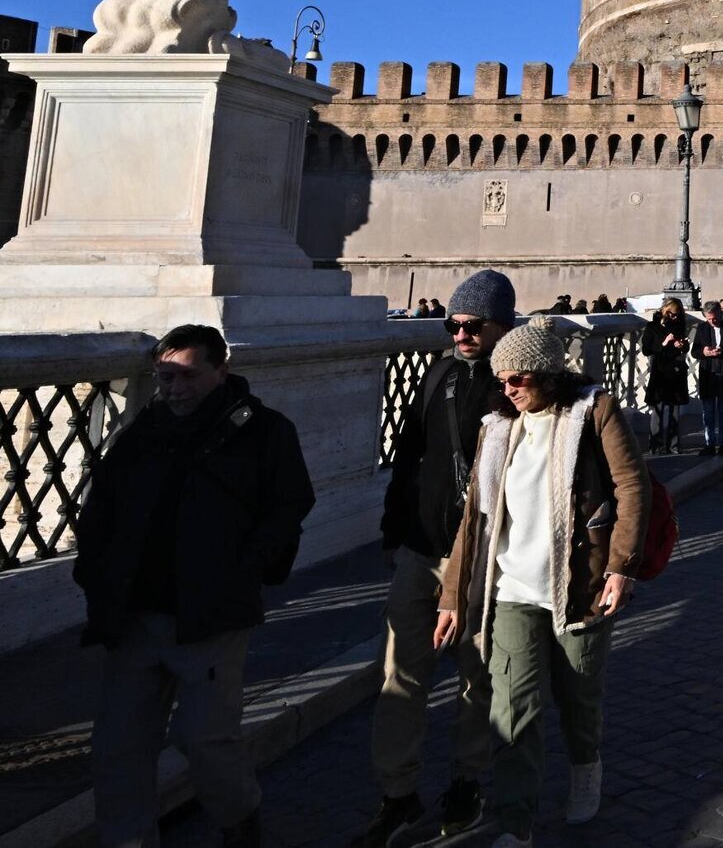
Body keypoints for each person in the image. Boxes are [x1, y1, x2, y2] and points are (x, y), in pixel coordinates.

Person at [77, 324, 315, 848]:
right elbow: (101, 509)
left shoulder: (265, 430)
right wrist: (93, 573)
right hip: (134, 615)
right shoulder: (141, 432)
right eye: (165, 375)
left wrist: (247, 566)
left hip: (211, 613)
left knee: (205, 739)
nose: (174, 387)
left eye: (188, 375)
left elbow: (290, 504)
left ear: (221, 369)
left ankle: (240, 822)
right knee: (118, 747)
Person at [433, 319, 647, 844]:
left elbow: (631, 486)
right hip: (510, 592)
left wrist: (621, 566)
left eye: (517, 379)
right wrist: (453, 596)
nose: (507, 389)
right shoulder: (496, 426)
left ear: (548, 374)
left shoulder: (593, 412)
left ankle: (585, 765)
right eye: (501, 380)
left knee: (578, 698)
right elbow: (475, 520)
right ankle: (515, 823)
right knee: (514, 711)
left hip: (580, 584)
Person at [355, 270, 513, 846]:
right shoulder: (438, 373)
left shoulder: (517, 383)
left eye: (474, 325)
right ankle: (397, 793)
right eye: (454, 324)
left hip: (483, 554)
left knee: (477, 675)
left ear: (502, 325)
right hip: (422, 549)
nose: (462, 333)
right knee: (399, 673)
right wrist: (393, 530)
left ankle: (469, 779)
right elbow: (408, 455)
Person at [640, 297, 694, 455]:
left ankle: (673, 444)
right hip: (660, 371)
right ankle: (655, 445)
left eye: (677, 315)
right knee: (657, 409)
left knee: (674, 409)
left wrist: (682, 345)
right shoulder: (652, 327)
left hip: (676, 371)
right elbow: (646, 350)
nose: (675, 318)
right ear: (665, 311)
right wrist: (664, 343)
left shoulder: (679, 325)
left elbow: (685, 347)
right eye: (672, 314)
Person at [693, 299, 723, 457]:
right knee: (707, 411)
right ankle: (710, 443)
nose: (712, 321)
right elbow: (695, 351)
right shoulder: (702, 328)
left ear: (720, 313)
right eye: (708, 319)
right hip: (708, 373)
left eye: (714, 318)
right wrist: (705, 352)